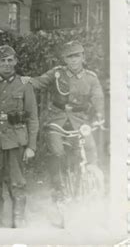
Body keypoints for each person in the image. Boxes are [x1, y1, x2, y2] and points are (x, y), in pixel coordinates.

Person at [22, 40, 104, 203]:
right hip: (57, 119)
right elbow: (39, 82)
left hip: (79, 120)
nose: (73, 60)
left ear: (83, 57)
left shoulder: (91, 78)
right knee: (57, 152)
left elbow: (98, 97)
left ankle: (87, 184)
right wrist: (25, 80)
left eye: (77, 56)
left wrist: (100, 114)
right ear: (64, 59)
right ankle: (57, 189)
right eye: (69, 57)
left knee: (89, 149)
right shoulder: (57, 73)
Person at [0, 45, 39, 228]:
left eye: (10, 60)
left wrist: (32, 146)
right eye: (2, 60)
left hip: (15, 140)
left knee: (17, 180)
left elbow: (33, 117)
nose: (6, 64)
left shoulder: (25, 85)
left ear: (16, 62)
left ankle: (18, 218)